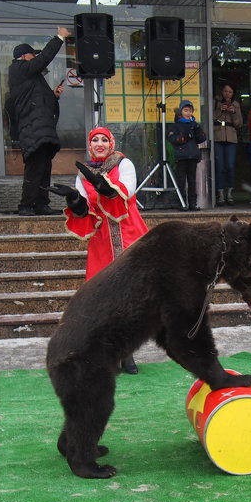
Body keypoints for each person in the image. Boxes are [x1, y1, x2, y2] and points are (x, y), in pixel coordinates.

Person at [48, 127, 149, 373]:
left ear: (111, 143)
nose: (100, 144)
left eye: (105, 139)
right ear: (90, 146)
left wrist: (100, 183)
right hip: (102, 239)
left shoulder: (124, 164)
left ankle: (128, 353)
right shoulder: (84, 174)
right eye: (95, 140)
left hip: (128, 232)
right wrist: (74, 198)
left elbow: (125, 192)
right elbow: (85, 210)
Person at [7, 27, 69, 216]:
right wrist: (59, 38)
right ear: (25, 56)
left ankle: (41, 203)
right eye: (33, 55)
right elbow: (44, 59)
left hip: (39, 129)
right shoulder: (19, 69)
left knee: (43, 167)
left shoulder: (30, 78)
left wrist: (53, 96)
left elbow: (40, 102)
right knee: (35, 168)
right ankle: (26, 205)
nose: (36, 59)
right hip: (33, 130)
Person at [166, 99, 206, 211]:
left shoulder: (194, 125)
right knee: (181, 181)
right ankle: (182, 203)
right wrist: (185, 137)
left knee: (192, 181)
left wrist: (197, 129)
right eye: (186, 110)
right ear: (181, 112)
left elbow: (202, 138)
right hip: (181, 157)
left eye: (190, 111)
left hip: (193, 156)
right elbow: (172, 139)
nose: (188, 113)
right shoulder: (176, 125)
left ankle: (193, 203)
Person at [212, 83, 242, 206]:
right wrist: (220, 109)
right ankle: (220, 194)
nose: (227, 94)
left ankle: (229, 192)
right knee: (219, 166)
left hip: (231, 138)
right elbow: (211, 118)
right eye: (225, 91)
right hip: (218, 137)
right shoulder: (215, 103)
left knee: (230, 165)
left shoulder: (236, 105)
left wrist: (234, 112)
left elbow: (239, 123)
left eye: (230, 92)